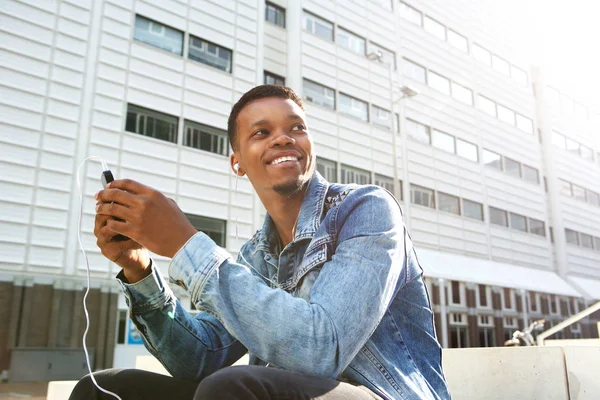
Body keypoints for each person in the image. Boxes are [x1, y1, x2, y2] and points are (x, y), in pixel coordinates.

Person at [70, 85, 450, 400]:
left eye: (296, 128)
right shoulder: (256, 254)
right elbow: (199, 360)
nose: (284, 138)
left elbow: (323, 349)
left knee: (233, 388)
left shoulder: (366, 209)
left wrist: (186, 244)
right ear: (237, 162)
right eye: (261, 132)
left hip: (383, 394)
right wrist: (139, 270)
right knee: (102, 389)